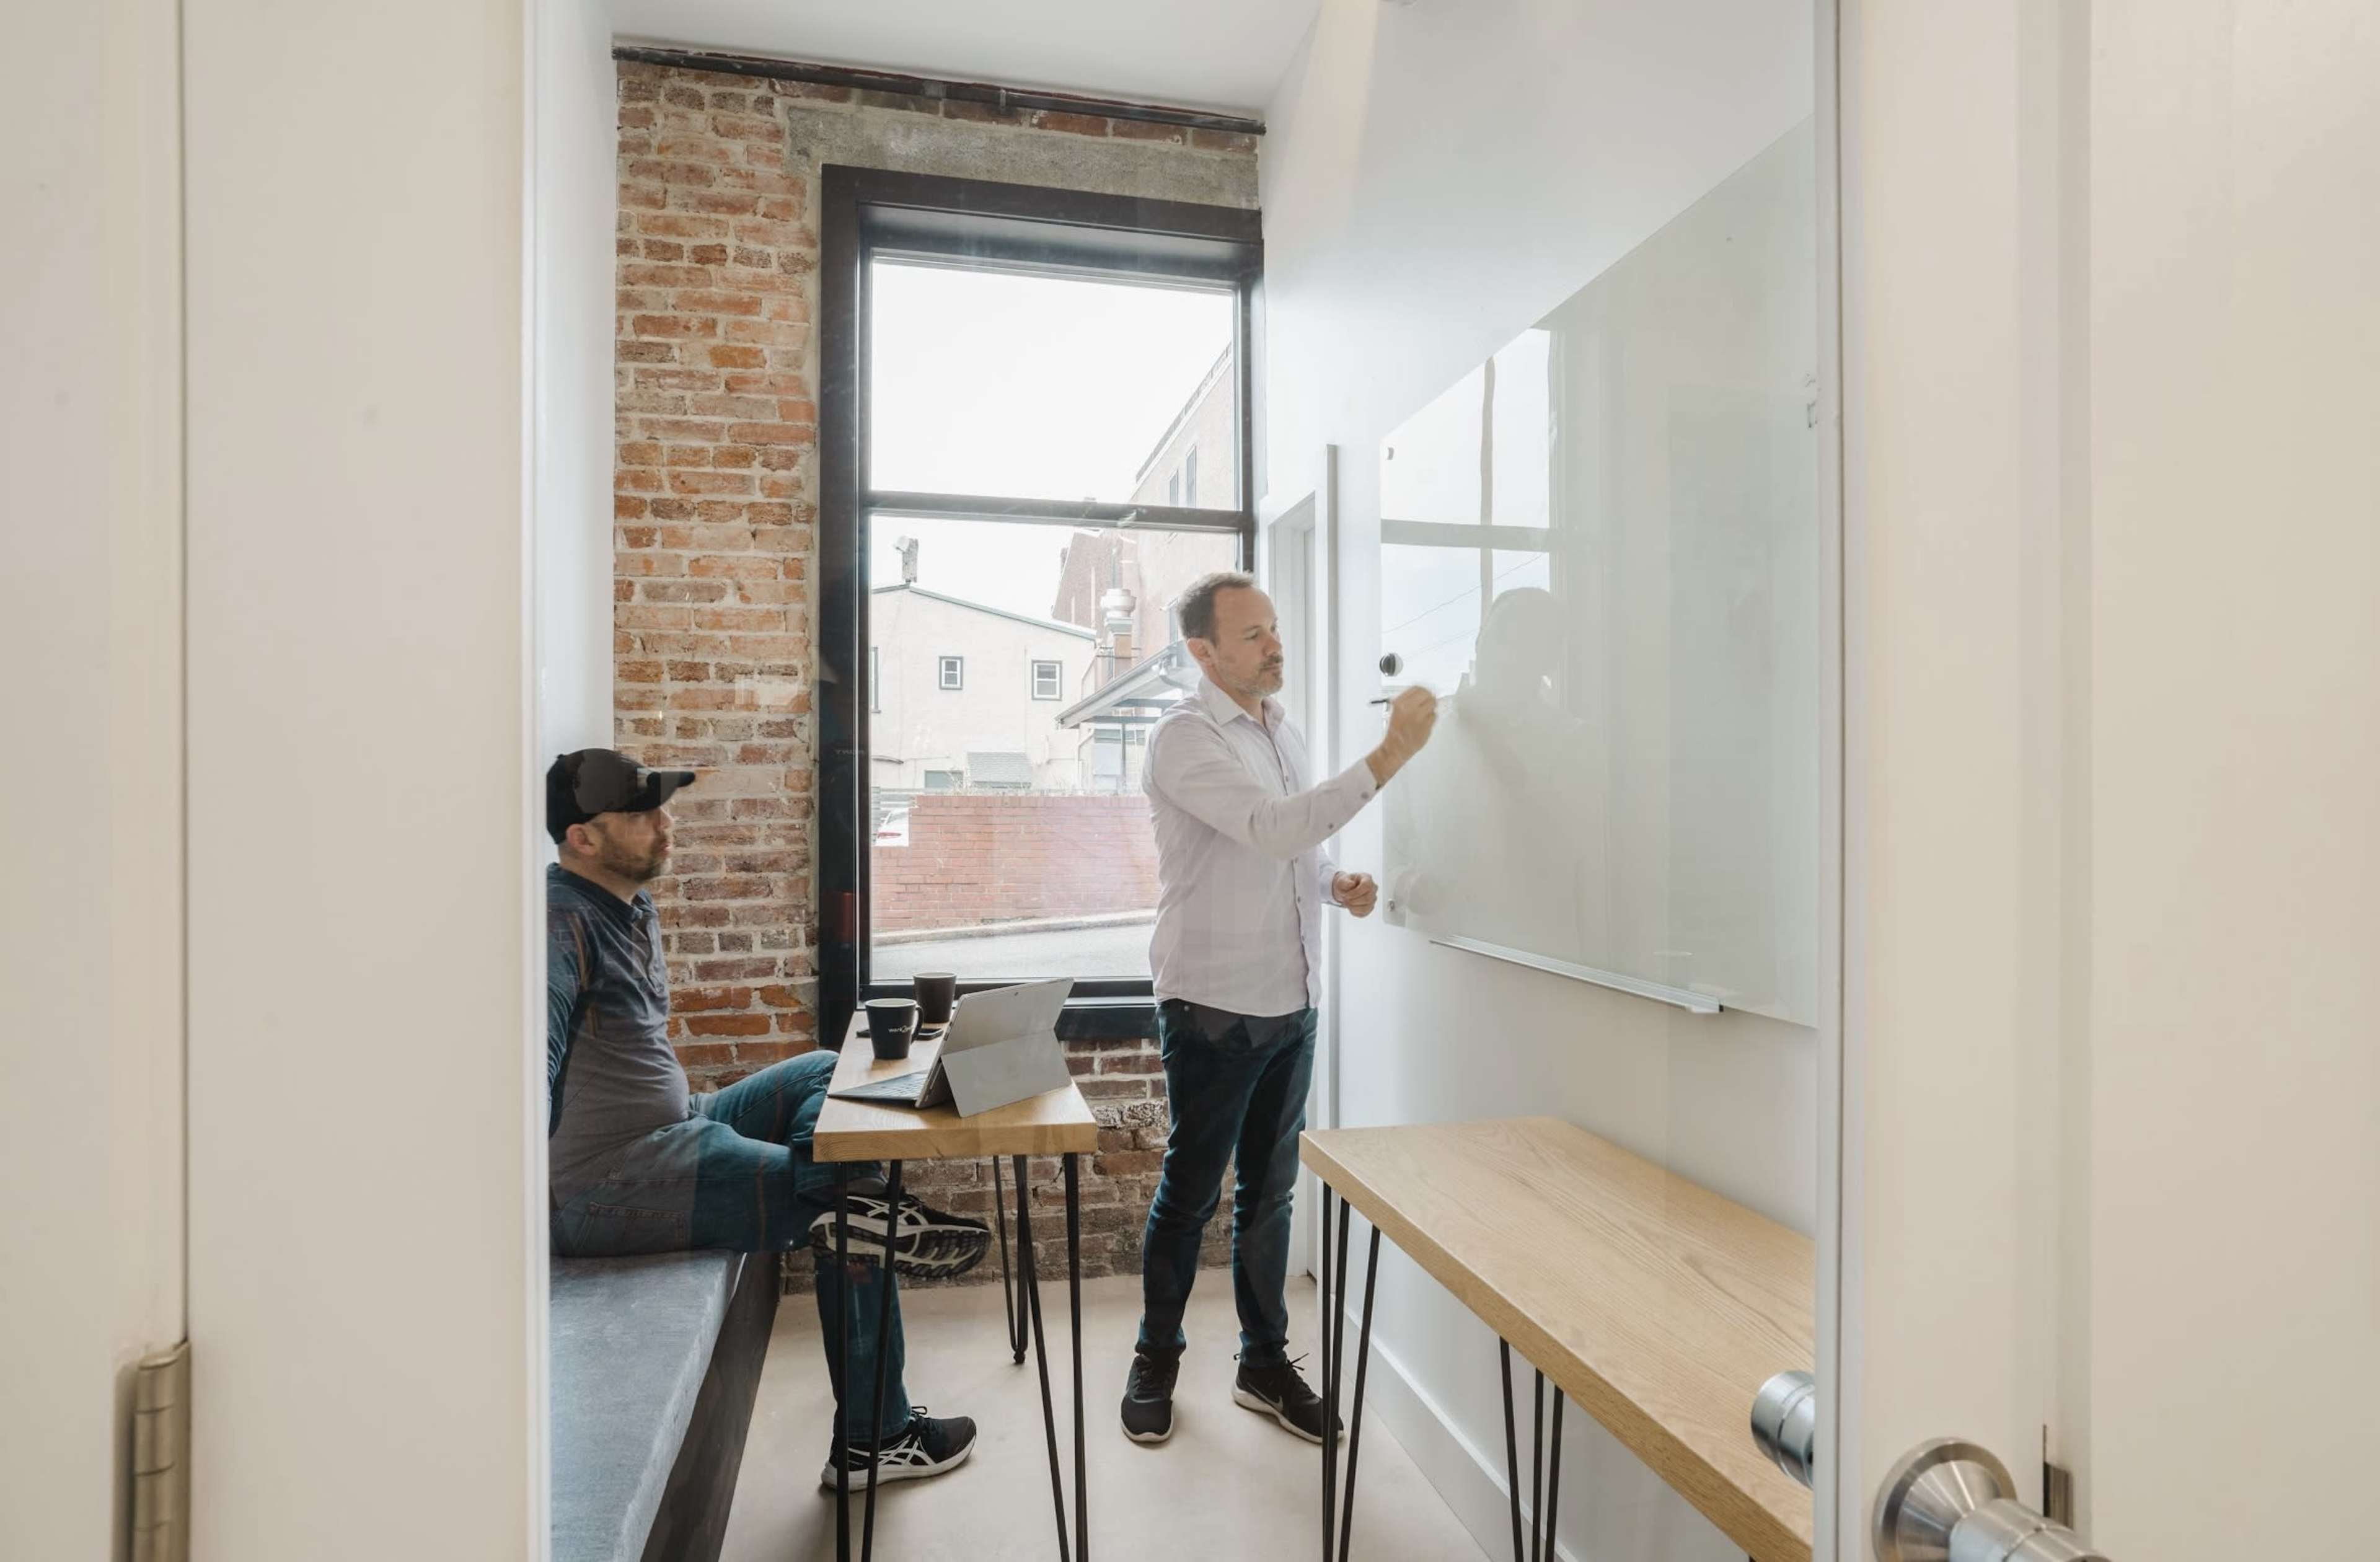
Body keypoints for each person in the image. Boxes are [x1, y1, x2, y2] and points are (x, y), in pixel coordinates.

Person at [544, 748, 990, 1489]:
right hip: (611, 1181)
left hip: (679, 1124)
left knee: (825, 1072)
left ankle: (850, 1204)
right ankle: (874, 1431)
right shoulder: (560, 925)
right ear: (582, 838)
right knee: (847, 1203)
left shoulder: (627, 904)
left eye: (662, 805)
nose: (664, 823)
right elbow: (530, 1065)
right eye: (640, 814)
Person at [1121, 572, 1438, 1445]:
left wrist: (1335, 883)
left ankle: (1262, 1364)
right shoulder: (1184, 740)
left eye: (1273, 628)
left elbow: (1296, 852)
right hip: (1212, 1007)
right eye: (1253, 634)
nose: (1275, 645)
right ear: (1204, 652)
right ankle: (1156, 1358)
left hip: (1293, 1000)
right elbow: (1269, 828)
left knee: (1270, 1200)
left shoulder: (1281, 731)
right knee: (1190, 1196)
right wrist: (1390, 755)